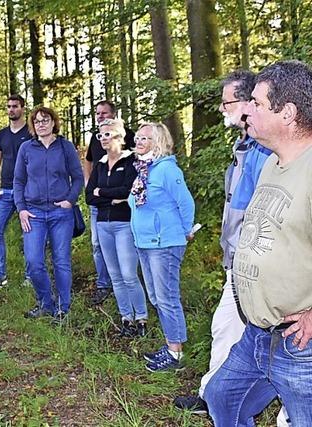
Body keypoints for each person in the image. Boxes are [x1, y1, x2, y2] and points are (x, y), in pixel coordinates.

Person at [204, 60, 312, 426]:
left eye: (257, 103)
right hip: (258, 334)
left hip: (299, 342)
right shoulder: (271, 162)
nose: (246, 109)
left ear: (288, 114)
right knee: (222, 397)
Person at [173, 71, 273, 419]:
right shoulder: (243, 146)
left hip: (258, 265)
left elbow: (265, 212)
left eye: (228, 100)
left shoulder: (267, 151)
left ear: (249, 103)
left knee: (274, 342)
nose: (221, 107)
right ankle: (213, 396)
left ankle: (284, 409)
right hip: (237, 262)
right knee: (225, 327)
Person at [128, 122, 195, 372]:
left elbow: (185, 203)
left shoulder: (167, 170)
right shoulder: (145, 170)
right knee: (157, 297)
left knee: (167, 299)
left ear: (158, 142)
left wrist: (185, 231)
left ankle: (176, 355)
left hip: (164, 243)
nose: (138, 142)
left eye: (144, 138)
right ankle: (170, 346)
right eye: (137, 137)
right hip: (144, 243)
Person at [14, 106, 83, 324]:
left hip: (60, 213)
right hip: (33, 213)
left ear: (54, 122)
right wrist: (21, 209)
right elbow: (18, 181)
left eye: (45, 120)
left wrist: (69, 201)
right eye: (37, 121)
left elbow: (78, 177)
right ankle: (46, 303)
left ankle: (63, 308)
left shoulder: (65, 147)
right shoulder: (26, 148)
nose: (41, 124)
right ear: (33, 126)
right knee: (34, 261)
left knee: (61, 261)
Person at [85, 118, 147, 337]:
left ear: (119, 137)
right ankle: (126, 319)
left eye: (107, 134)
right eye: (100, 135)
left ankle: (141, 319)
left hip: (124, 224)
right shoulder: (100, 164)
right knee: (115, 275)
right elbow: (88, 196)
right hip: (103, 223)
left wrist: (102, 193)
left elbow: (127, 192)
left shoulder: (132, 162)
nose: (102, 139)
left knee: (129, 274)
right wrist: (107, 197)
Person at [83, 101, 135, 305]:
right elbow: (88, 162)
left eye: (104, 113)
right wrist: (89, 184)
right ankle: (104, 284)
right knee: (97, 245)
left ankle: (128, 288)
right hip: (99, 208)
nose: (100, 116)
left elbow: (127, 187)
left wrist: (101, 192)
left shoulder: (127, 135)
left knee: (125, 252)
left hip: (123, 212)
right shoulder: (96, 139)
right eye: (97, 113)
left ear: (114, 114)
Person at [0, 95, 32, 289]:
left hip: (27, 192)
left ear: (22, 108)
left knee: (28, 233)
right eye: (9, 107)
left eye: (15, 106)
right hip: (5, 192)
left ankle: (30, 276)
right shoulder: (2, 135)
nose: (11, 110)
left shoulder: (31, 132)